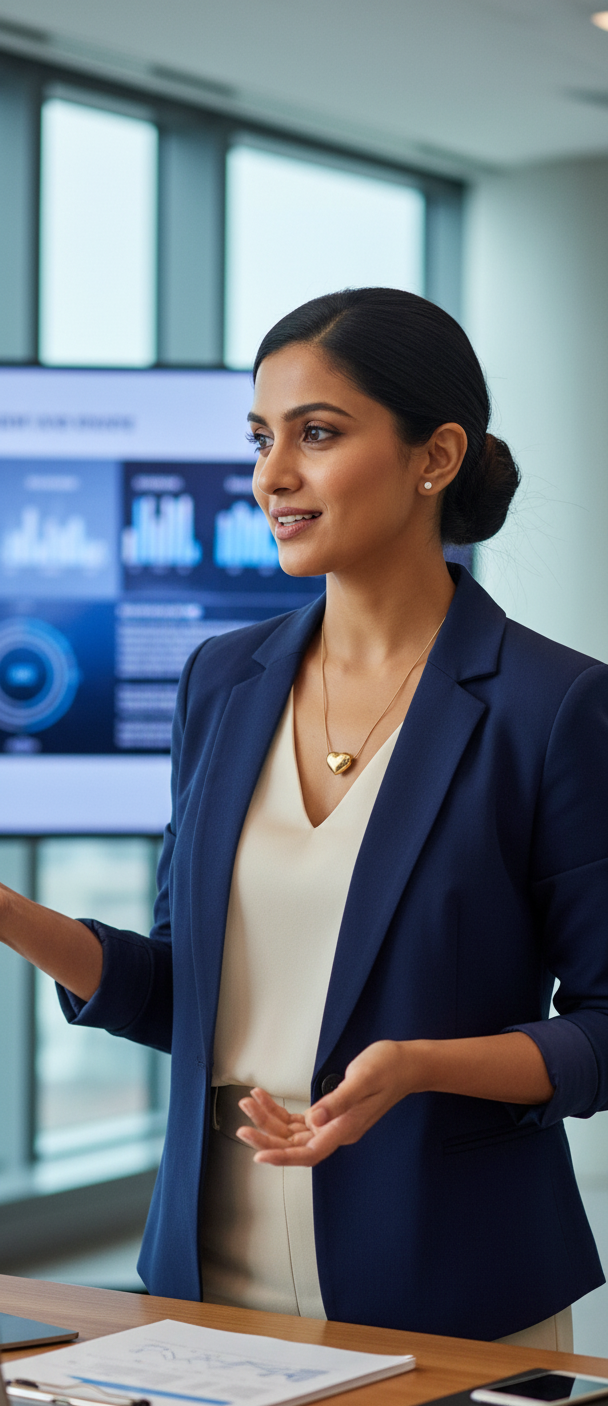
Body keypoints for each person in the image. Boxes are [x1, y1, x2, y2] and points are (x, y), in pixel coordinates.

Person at [1, 288, 606, 1347]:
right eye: (260, 438)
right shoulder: (220, 681)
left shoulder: (550, 706)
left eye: (316, 434)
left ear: (435, 456)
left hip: (448, 1289)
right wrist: (10, 914)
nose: (270, 475)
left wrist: (419, 1065)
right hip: (204, 1282)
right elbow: (185, 992)